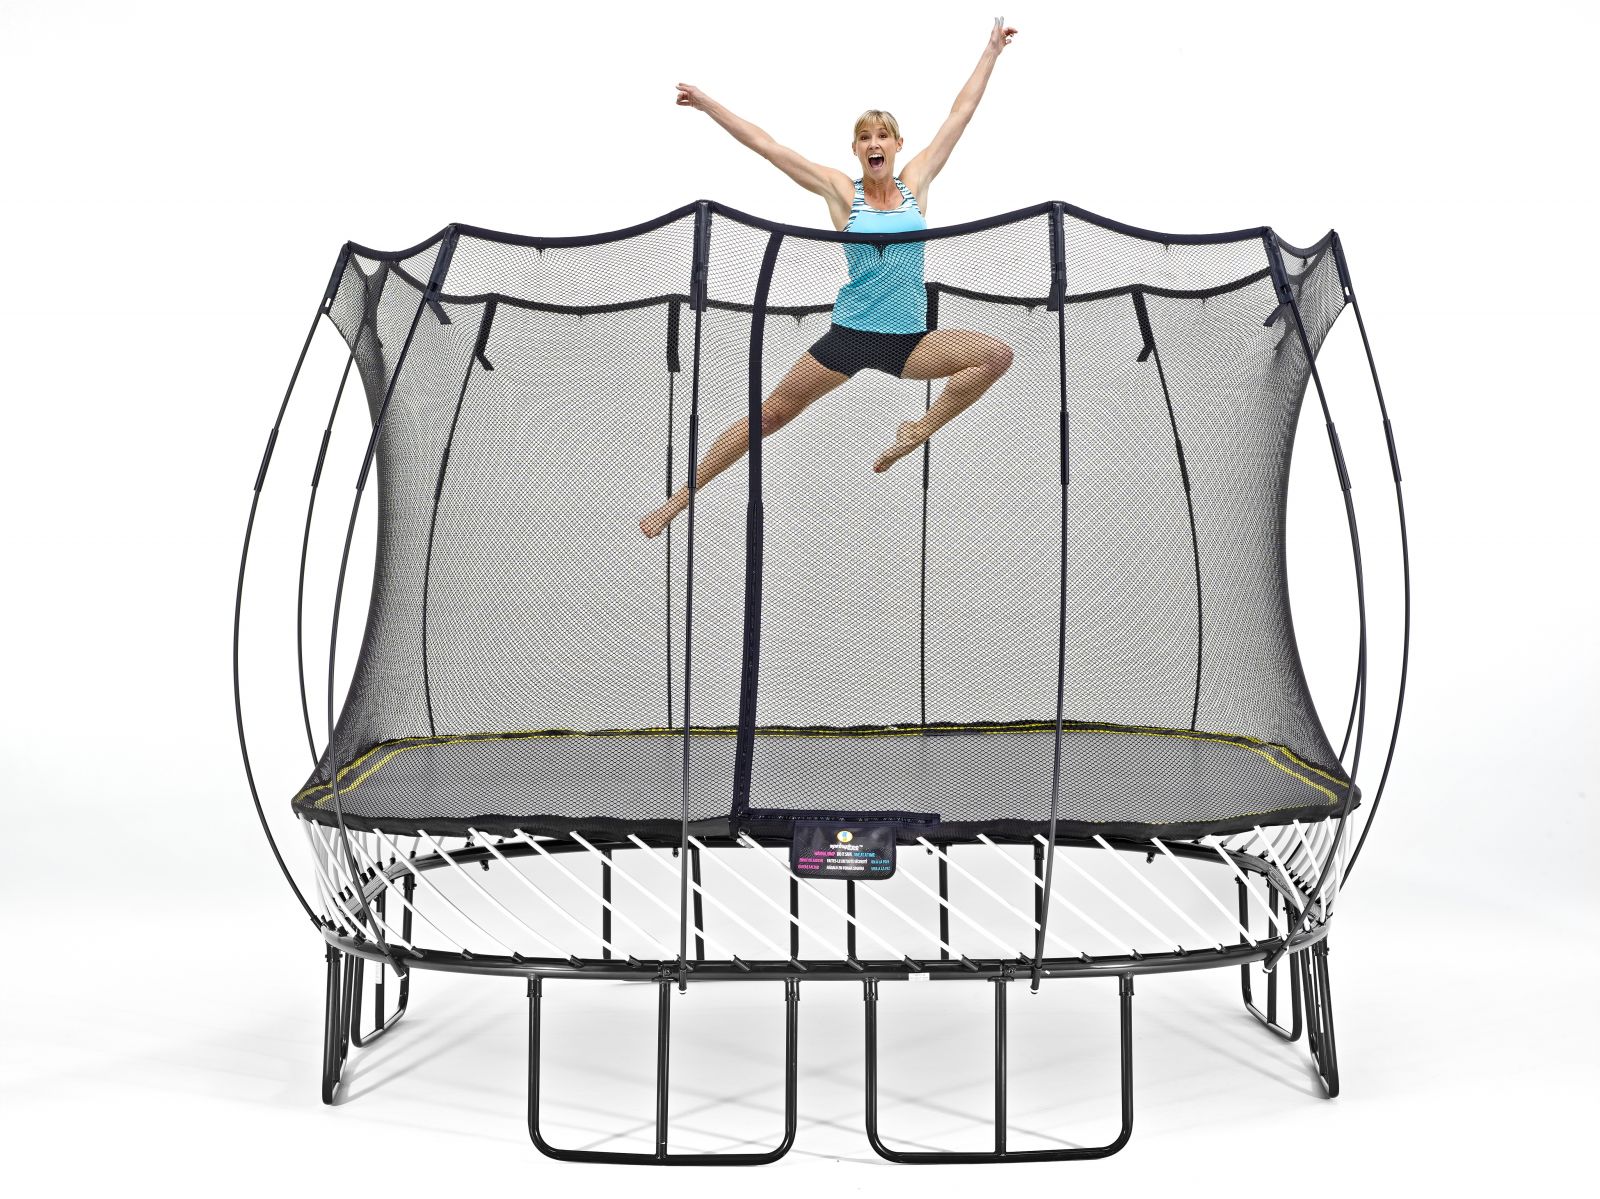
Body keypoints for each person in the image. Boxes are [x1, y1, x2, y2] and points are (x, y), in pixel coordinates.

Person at [641, 20, 1020, 538]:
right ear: (856, 150)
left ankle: (917, 430)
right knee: (770, 415)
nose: (874, 143)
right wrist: (709, 105)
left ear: (898, 144)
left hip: (908, 341)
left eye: (882, 135)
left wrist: (991, 52)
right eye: (864, 138)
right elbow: (769, 147)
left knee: (996, 355)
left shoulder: (917, 181)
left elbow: (961, 113)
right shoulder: (843, 193)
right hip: (849, 336)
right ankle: (679, 500)